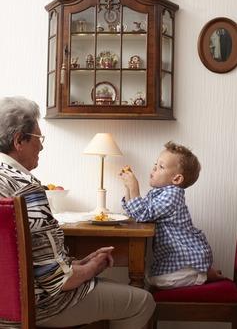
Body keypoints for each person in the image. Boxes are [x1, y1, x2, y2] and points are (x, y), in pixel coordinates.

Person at [0, 96, 155, 328]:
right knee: (143, 301)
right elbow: (57, 282)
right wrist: (95, 266)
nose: (41, 146)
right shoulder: (26, 189)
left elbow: (32, 262)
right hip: (40, 305)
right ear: (18, 140)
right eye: (38, 139)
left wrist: (78, 263)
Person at [120, 141, 224, 289]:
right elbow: (136, 213)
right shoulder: (158, 193)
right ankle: (202, 272)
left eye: (161, 167)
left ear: (176, 179)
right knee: (152, 278)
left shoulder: (173, 193)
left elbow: (142, 213)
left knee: (156, 282)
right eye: (155, 164)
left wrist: (134, 187)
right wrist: (128, 189)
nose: (154, 168)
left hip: (185, 255)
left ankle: (203, 274)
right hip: (173, 257)